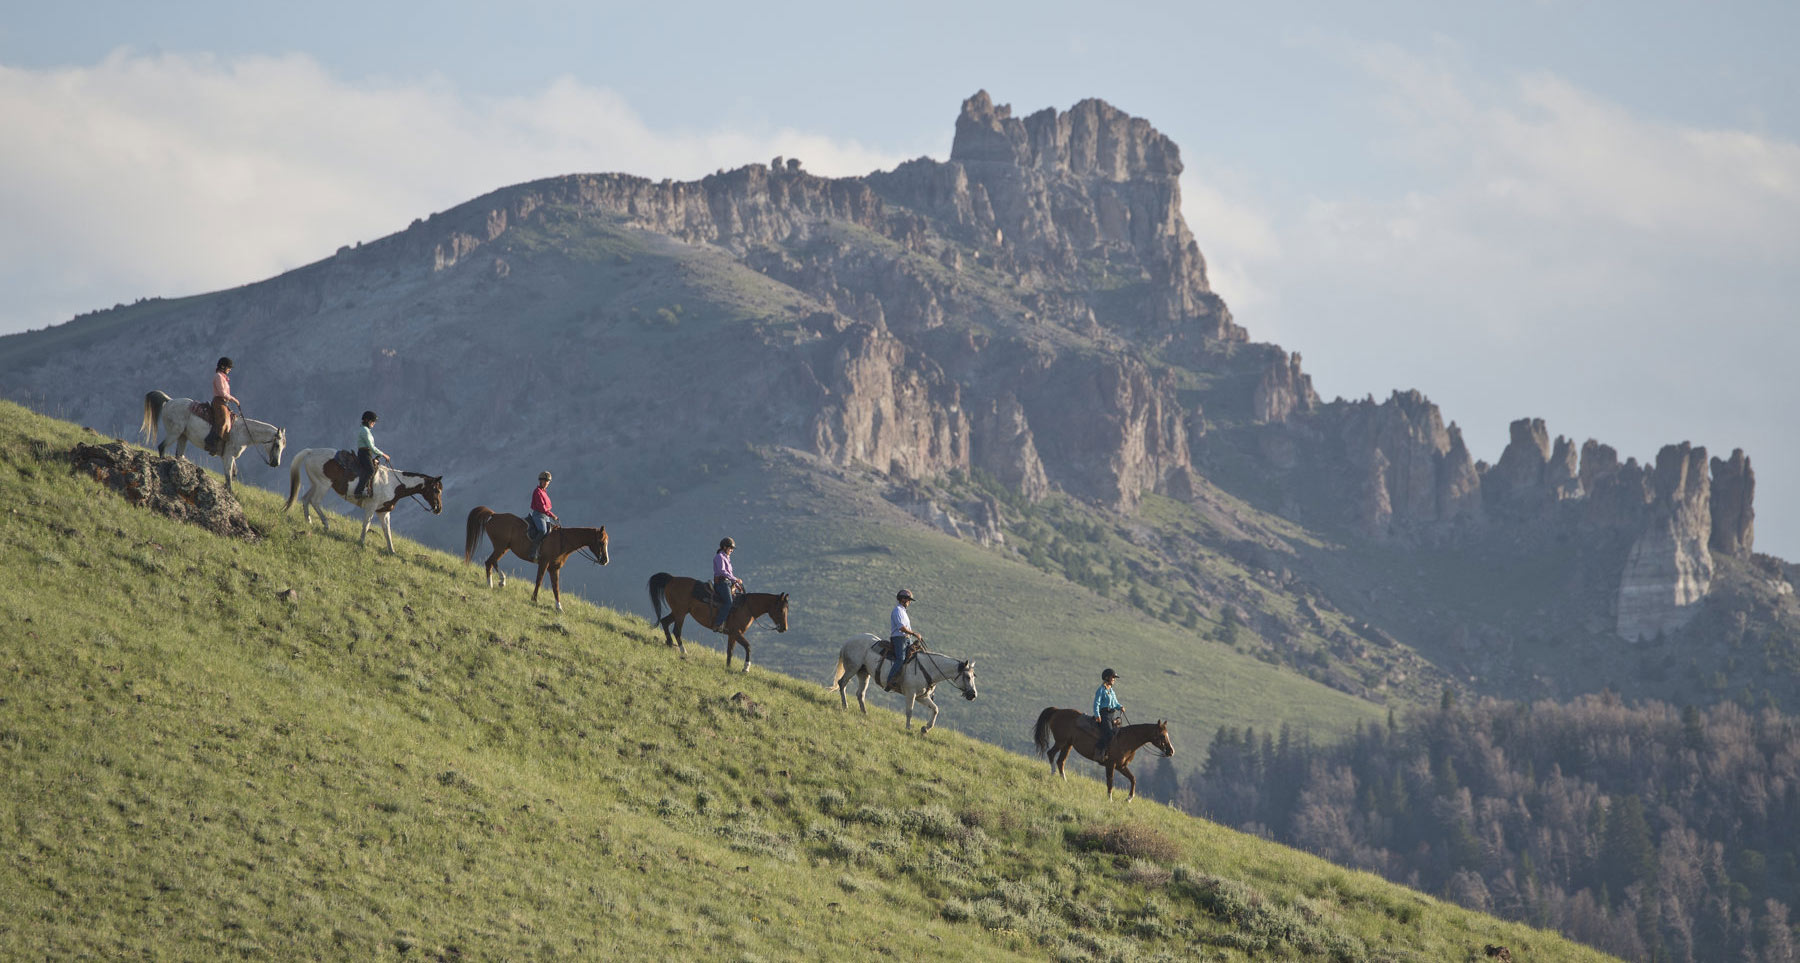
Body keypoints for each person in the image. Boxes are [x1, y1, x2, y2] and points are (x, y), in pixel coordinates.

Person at [204, 357, 240, 456]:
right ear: (223, 366)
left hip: (224, 403)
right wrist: (234, 399)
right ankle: (212, 444)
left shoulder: (223, 377)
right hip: (219, 402)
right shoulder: (218, 376)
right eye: (229, 367)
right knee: (223, 420)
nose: (230, 369)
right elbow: (222, 392)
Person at [887, 588, 922, 690]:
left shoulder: (903, 612)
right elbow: (901, 628)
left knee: (915, 655)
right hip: (899, 638)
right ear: (903, 599)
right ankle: (890, 680)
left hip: (906, 638)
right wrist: (914, 633)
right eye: (909, 600)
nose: (909, 602)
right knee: (900, 658)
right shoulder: (897, 610)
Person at [353, 410, 390, 499]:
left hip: (366, 453)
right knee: (370, 470)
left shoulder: (365, 430)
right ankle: (358, 492)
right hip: (364, 454)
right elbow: (371, 447)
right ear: (368, 421)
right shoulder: (365, 431)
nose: (374, 423)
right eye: (373, 421)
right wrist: (384, 454)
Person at [712, 537, 743, 630]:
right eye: (730, 548)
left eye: (732, 548)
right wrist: (735, 579)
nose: (732, 550)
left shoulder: (727, 558)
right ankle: (718, 624)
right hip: (721, 583)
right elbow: (722, 571)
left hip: (727, 583)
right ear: (724, 547)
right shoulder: (719, 557)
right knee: (729, 603)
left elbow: (730, 574)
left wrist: (736, 584)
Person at [527, 471, 559, 557]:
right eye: (545, 481)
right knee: (542, 531)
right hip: (538, 515)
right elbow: (542, 507)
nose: (547, 483)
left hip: (545, 516)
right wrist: (552, 515)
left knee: (552, 532)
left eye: (548, 481)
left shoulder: (544, 492)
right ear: (540, 481)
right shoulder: (537, 492)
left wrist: (550, 515)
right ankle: (533, 551)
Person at [1094, 668, 1124, 757]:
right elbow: (1096, 703)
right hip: (1104, 715)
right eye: (1113, 677)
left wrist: (1120, 707)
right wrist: (1097, 715)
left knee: (1117, 732)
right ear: (1107, 678)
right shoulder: (1101, 690)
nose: (1114, 679)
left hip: (1111, 715)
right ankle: (1099, 751)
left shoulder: (1111, 691)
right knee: (1109, 734)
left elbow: (1115, 703)